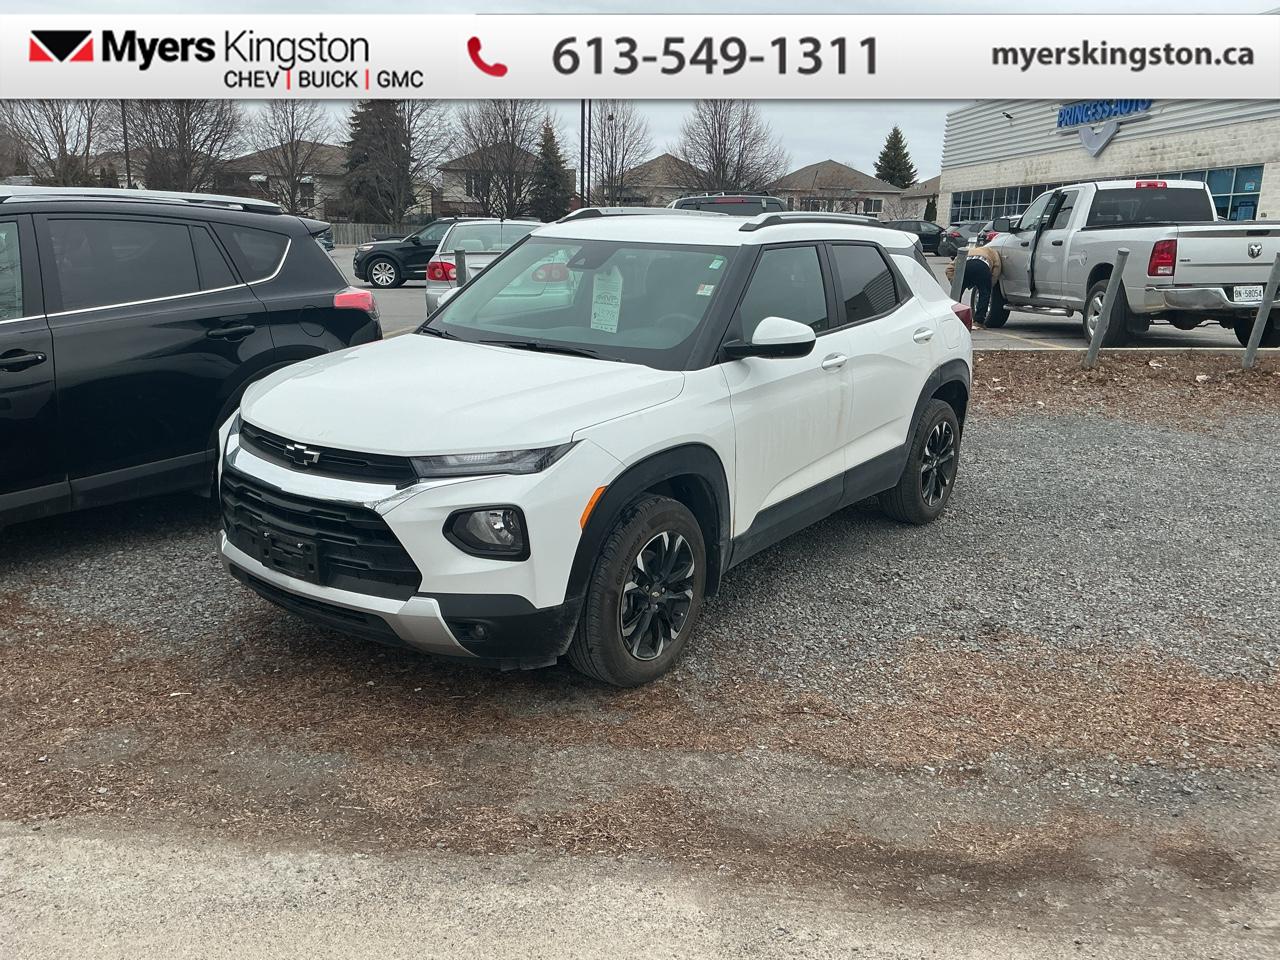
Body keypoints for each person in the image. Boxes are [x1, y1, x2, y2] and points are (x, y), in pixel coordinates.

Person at [945, 243, 1002, 326]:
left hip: (966, 266)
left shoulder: (968, 251)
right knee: (984, 295)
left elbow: (949, 269)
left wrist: (956, 284)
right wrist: (990, 284)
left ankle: (953, 318)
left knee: (957, 295)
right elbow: (997, 268)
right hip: (982, 267)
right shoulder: (993, 252)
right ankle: (978, 321)